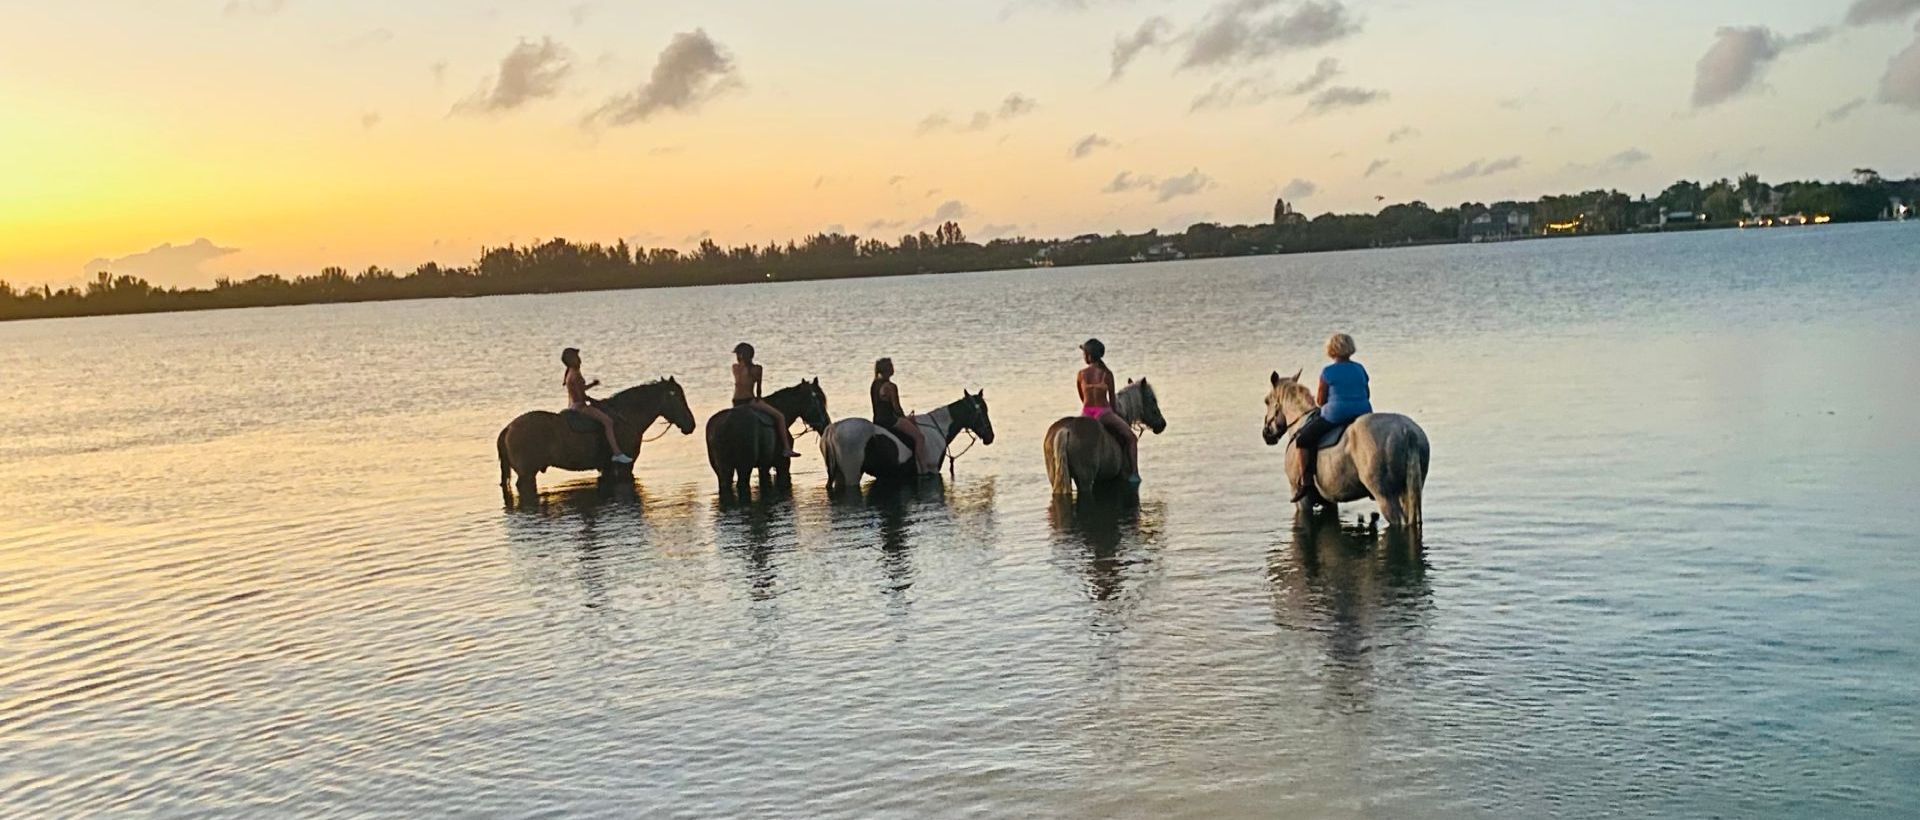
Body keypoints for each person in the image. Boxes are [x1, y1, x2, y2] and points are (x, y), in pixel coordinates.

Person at [1292, 332, 1372, 503]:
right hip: (1363, 412)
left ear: (1331, 350)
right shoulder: (1360, 368)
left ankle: (1306, 482)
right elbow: (1367, 393)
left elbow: (1321, 401)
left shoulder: (1328, 372)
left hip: (1336, 415)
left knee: (1303, 439)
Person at [1076, 338, 1139, 482]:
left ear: (1089, 356)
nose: (1083, 356)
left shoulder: (1081, 374)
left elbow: (1082, 397)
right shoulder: (1107, 374)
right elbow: (1112, 403)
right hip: (1103, 413)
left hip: (1086, 413)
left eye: (1084, 354)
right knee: (1131, 438)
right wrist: (1118, 415)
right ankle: (1134, 473)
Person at [561, 347, 633, 465]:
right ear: (573, 359)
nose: (580, 359)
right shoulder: (576, 374)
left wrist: (592, 385)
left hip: (572, 406)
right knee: (608, 422)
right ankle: (617, 453)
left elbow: (579, 389)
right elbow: (581, 397)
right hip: (581, 407)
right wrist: (594, 401)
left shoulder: (570, 372)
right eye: (577, 357)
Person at [732, 342, 800, 458]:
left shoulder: (735, 368)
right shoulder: (757, 369)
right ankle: (786, 448)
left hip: (736, 402)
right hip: (750, 401)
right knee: (780, 417)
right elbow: (758, 391)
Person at [872, 358, 926, 472]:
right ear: (888, 369)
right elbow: (896, 408)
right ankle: (923, 469)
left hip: (877, 420)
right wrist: (906, 418)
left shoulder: (875, 384)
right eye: (891, 366)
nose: (893, 368)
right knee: (920, 438)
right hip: (890, 420)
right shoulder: (891, 386)